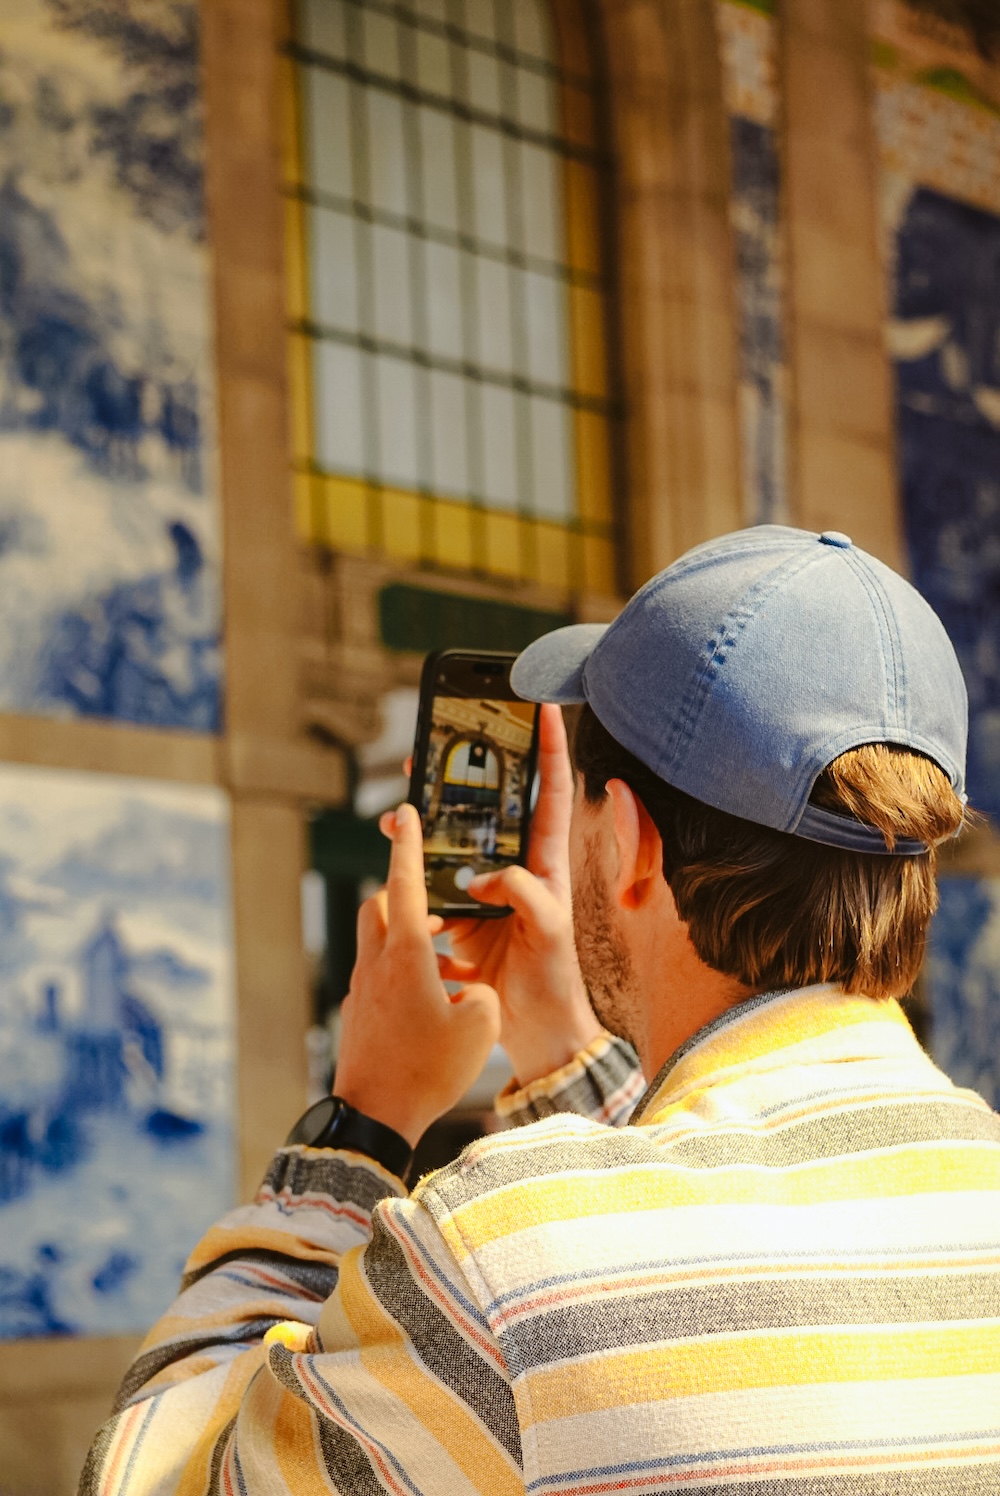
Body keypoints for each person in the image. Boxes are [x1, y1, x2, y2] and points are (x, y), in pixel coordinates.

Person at [81, 526, 1000, 1496]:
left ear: (632, 843)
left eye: (588, 814)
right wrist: (570, 1049)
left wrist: (358, 1125)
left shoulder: (501, 1256)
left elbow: (152, 1471)